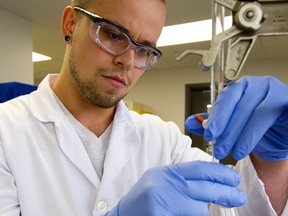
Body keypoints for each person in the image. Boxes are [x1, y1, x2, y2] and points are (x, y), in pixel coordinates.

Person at [0, 0, 287, 215]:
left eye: (145, 50)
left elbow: (234, 211)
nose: (127, 61)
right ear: (70, 24)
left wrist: (272, 161)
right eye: (113, 34)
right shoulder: (6, 132)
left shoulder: (165, 140)